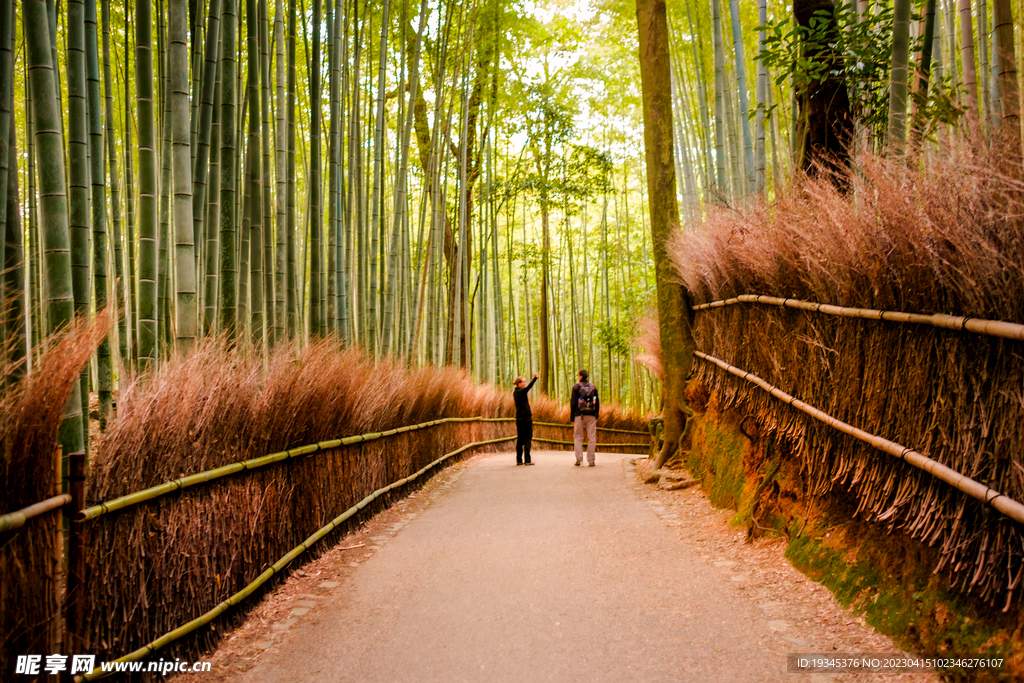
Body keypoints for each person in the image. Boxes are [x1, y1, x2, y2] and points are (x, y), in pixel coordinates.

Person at [570, 369, 600, 466]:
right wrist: (596, 416)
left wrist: (572, 417)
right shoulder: (593, 388)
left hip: (579, 415)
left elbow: (573, 403)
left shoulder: (576, 387)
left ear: (580, 376)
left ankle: (579, 459)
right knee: (591, 437)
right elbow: (597, 402)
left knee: (578, 437)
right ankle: (591, 461)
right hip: (591, 415)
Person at [513, 372, 539, 466]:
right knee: (527, 438)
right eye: (523, 382)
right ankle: (527, 460)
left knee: (520, 439)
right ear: (519, 383)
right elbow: (529, 387)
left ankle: (519, 460)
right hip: (525, 418)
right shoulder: (520, 391)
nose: (524, 384)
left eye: (525, 382)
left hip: (519, 418)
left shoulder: (516, 392)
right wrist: (535, 379)